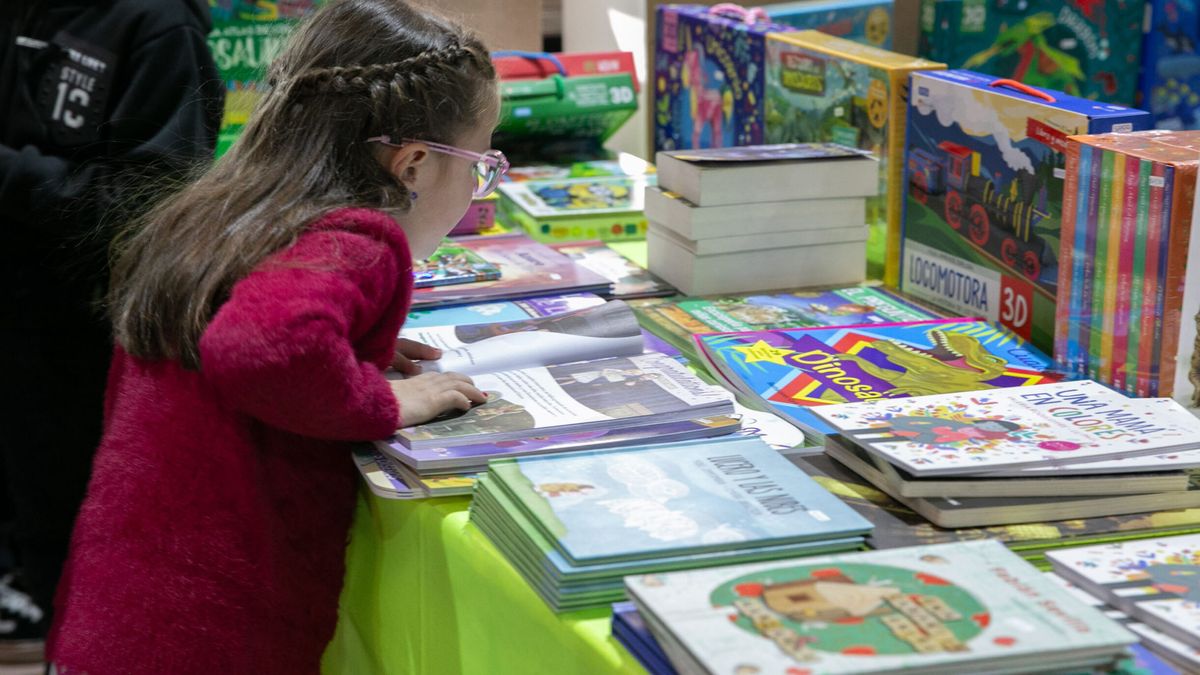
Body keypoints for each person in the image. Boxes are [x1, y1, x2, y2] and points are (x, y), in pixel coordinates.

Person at [47, 0, 500, 671]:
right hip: (214, 634)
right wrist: (388, 402)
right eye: (479, 164)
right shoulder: (357, 238)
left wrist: (345, 349)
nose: (478, 185)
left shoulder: (220, 212)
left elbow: (238, 336)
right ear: (411, 165)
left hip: (117, 610)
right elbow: (258, 347)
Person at [0, 0, 223, 662]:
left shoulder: (158, 26)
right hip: (13, 319)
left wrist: (10, 175)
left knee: (68, 528)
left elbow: (147, 202)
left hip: (82, 335)